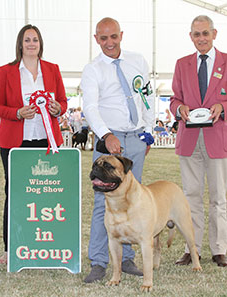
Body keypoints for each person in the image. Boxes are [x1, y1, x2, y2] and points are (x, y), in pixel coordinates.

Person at [81, 17, 154, 282]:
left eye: (113, 37)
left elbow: (147, 96)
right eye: (103, 38)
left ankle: (127, 259)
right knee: (103, 203)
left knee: (135, 201)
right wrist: (107, 134)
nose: (109, 43)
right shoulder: (93, 69)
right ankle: (99, 261)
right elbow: (90, 107)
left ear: (121, 35)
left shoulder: (138, 61)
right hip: (109, 140)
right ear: (96, 39)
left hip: (136, 137)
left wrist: (148, 132)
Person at [0, 24, 67, 264]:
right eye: (27, 40)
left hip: (47, 141)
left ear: (40, 43)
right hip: (14, 143)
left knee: (45, 192)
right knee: (14, 194)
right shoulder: (6, 71)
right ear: (20, 44)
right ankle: (10, 246)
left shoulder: (52, 70)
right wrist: (18, 113)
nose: (31, 43)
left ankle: (41, 244)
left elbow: (63, 101)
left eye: (35, 39)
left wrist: (57, 108)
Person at [170, 15, 227, 267]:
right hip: (190, 139)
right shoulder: (182, 64)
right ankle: (191, 249)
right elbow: (174, 98)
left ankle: (219, 249)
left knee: (219, 198)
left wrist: (222, 106)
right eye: (196, 34)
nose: (201, 38)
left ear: (214, 34)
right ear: (190, 36)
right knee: (190, 197)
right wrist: (178, 107)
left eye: (205, 33)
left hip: (218, 139)